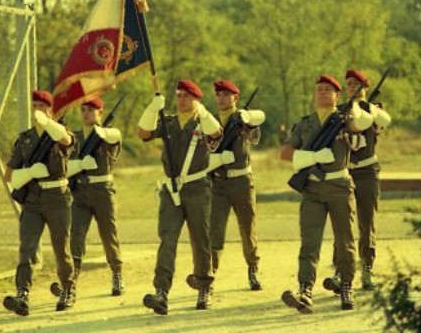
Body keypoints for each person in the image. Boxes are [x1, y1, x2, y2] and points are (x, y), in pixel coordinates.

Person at [280, 75, 373, 313]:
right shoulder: (305, 123)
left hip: (339, 187)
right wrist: (311, 157)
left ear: (337, 96)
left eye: (327, 90)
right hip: (311, 188)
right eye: (318, 89)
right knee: (309, 243)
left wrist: (354, 107)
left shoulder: (344, 120)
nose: (322, 92)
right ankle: (305, 288)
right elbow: (286, 152)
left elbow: (360, 125)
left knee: (345, 241)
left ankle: (346, 285)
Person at [139, 79, 222, 315]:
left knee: (201, 239)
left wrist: (204, 113)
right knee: (167, 239)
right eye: (179, 95)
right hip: (171, 190)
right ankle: (161, 292)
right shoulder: (168, 123)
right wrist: (152, 109)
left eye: (187, 96)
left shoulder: (203, 122)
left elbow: (216, 133)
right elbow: (143, 133)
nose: (181, 99)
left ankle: (204, 286)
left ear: (197, 99)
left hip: (197, 187)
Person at [186, 80, 265, 292]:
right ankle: (209, 276)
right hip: (217, 182)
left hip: (241, 181)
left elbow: (256, 132)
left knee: (248, 229)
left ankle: (253, 268)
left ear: (235, 98)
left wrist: (247, 119)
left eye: (225, 95)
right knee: (214, 230)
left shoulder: (243, 119)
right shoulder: (208, 121)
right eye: (218, 95)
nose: (221, 98)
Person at [2, 90, 76, 316]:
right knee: (28, 247)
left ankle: (67, 289)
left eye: (43, 106)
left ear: (51, 110)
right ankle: (22, 293)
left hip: (57, 198)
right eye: (35, 106)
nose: (38, 110)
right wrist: (29, 172)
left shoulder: (60, 132)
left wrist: (48, 122)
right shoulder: (25, 138)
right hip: (32, 199)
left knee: (61, 247)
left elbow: (66, 140)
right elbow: (9, 175)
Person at [323, 69, 392, 293]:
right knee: (342, 224)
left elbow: (383, 122)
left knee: (366, 221)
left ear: (366, 88)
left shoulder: (374, 110)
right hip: (345, 173)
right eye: (349, 84)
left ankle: (367, 268)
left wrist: (365, 107)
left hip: (367, 172)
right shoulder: (339, 111)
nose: (353, 87)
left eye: (357, 84)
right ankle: (340, 271)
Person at [49, 97, 125, 297]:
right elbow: (65, 169)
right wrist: (81, 164)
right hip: (80, 193)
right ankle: (71, 281)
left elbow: (114, 136)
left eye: (91, 110)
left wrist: (101, 131)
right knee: (76, 234)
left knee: (109, 235)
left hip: (103, 191)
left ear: (100, 112)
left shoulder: (107, 135)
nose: (86, 113)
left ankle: (117, 274)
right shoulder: (75, 138)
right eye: (83, 109)